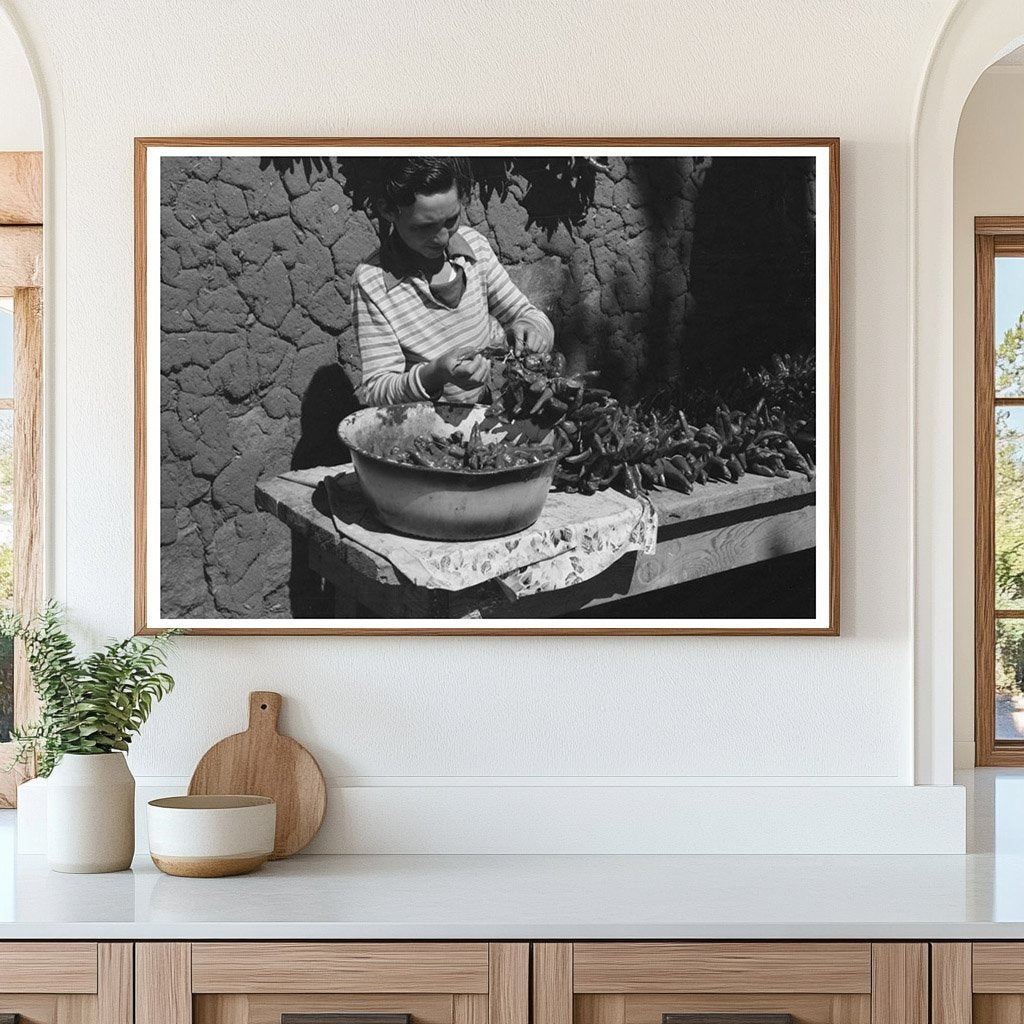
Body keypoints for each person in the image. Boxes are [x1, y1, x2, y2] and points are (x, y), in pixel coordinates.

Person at [351, 157, 555, 407]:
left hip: (488, 415)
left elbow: (527, 315)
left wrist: (532, 329)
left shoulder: (474, 249)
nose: (442, 238)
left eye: (451, 221)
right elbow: (376, 391)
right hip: (426, 434)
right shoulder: (373, 282)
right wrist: (434, 374)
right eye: (424, 227)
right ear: (388, 211)